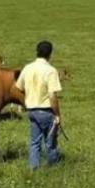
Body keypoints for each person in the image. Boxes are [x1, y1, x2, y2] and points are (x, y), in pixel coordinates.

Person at [15, 40, 63, 170]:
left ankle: (33, 167)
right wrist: (57, 114)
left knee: (34, 142)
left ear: (37, 51)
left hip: (31, 111)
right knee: (50, 142)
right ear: (50, 54)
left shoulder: (27, 68)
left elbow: (18, 87)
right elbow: (52, 95)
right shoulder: (51, 70)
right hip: (46, 111)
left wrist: (29, 97)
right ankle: (53, 167)